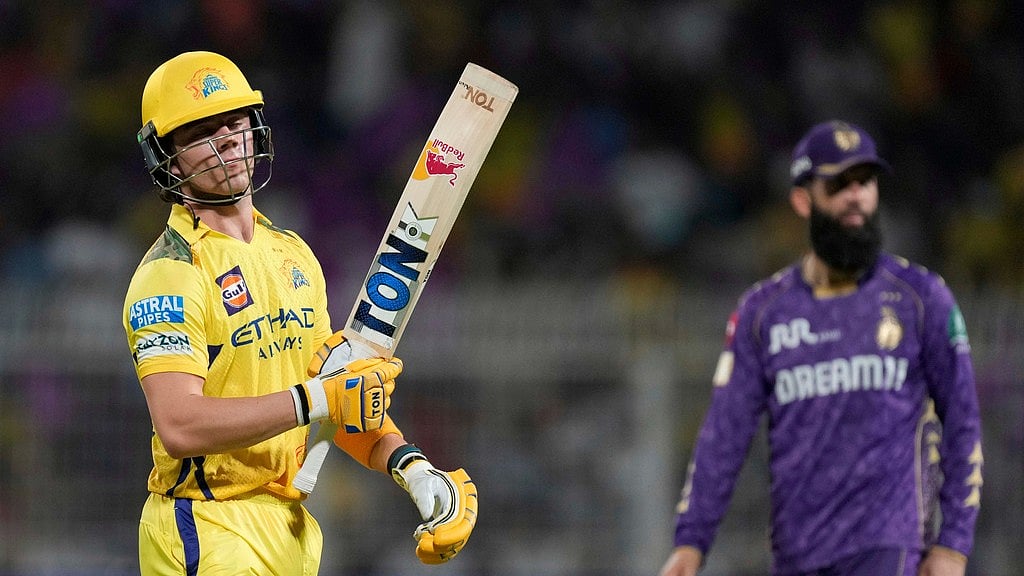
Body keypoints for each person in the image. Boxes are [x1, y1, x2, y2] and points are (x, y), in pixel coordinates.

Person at [122, 51, 476, 574]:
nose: (225, 139)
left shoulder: (293, 255)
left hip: (292, 530)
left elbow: (335, 404)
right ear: (168, 159)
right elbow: (180, 424)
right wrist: (315, 398)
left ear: (255, 128)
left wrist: (412, 468)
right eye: (200, 131)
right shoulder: (171, 273)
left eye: (233, 121)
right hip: (208, 524)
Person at [659, 120, 983, 576]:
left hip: (889, 545)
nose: (856, 196)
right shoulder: (763, 312)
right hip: (796, 553)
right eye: (838, 184)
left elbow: (963, 422)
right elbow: (724, 434)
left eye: (865, 182)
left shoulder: (920, 298)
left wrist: (953, 544)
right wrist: (691, 541)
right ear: (801, 199)